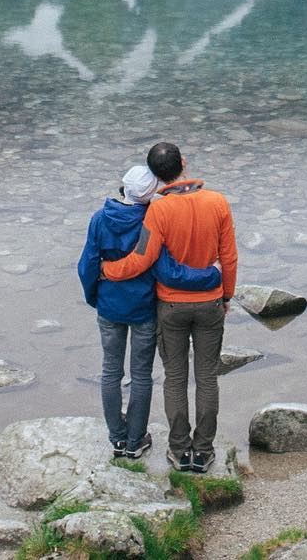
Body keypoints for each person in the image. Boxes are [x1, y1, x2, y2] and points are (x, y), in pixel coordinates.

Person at [101, 142, 237, 473]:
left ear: (157, 178)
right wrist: (227, 296)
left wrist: (107, 271)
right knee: (207, 377)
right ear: (184, 163)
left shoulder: (158, 211)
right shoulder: (217, 202)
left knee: (175, 377)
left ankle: (179, 450)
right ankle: (202, 452)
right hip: (209, 302)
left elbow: (142, 259)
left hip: (171, 305)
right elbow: (229, 257)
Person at [78, 163, 221, 460]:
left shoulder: (99, 218)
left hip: (109, 306)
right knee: (141, 375)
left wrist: (96, 296)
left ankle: (117, 438)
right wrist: (212, 276)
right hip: (144, 307)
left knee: (110, 371)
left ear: (124, 187)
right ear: (151, 192)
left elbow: (87, 265)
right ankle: (135, 441)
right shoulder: (152, 217)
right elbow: (165, 268)